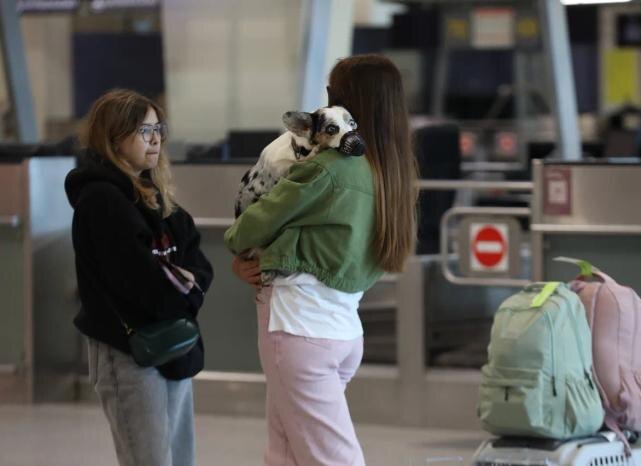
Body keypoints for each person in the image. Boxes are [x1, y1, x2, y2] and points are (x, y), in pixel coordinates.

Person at [225, 54, 418, 466]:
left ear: (338, 98)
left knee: (331, 458)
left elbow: (251, 226)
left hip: (299, 327)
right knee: (284, 453)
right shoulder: (390, 170)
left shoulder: (328, 167)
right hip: (342, 327)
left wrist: (238, 247)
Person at [65, 89, 213, 466]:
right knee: (148, 459)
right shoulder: (101, 199)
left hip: (173, 344)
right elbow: (140, 280)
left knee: (179, 457)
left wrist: (183, 283)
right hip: (129, 350)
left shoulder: (155, 195)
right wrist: (183, 285)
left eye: (158, 129)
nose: (156, 139)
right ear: (114, 137)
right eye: (144, 131)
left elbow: (197, 261)